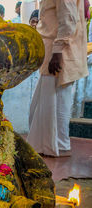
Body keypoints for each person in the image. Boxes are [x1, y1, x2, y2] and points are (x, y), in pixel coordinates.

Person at [27, 0, 88, 157]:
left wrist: (58, 50)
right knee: (46, 105)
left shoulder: (58, 51)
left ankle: (58, 147)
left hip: (59, 55)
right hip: (53, 51)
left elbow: (68, 17)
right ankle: (53, 147)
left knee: (56, 103)